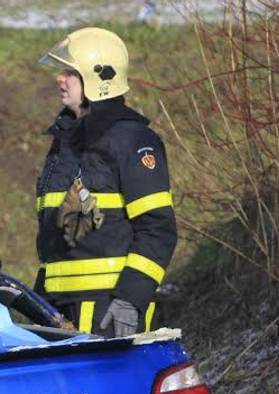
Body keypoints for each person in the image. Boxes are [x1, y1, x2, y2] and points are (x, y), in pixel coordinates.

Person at [33, 27, 177, 337]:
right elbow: (57, 237)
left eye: (70, 71)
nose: (60, 78)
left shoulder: (132, 140)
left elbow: (158, 228)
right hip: (59, 314)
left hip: (110, 312)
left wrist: (130, 299)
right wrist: (37, 303)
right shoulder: (65, 141)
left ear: (97, 78)